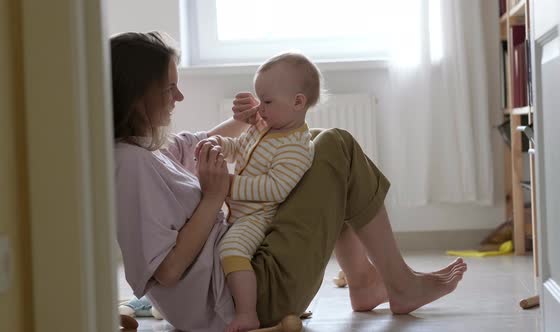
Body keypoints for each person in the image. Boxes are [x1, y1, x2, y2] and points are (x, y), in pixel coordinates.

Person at [112, 31, 467, 332]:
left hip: (243, 275)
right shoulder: (131, 165)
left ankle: (365, 281)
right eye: (169, 88)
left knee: (309, 145)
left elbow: (200, 145)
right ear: (137, 95)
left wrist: (246, 119)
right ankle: (395, 284)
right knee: (334, 145)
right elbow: (168, 271)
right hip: (242, 294)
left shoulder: (146, 150)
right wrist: (212, 199)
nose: (179, 97)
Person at [195, 52, 319, 331]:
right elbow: (240, 147)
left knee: (231, 249)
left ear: (298, 102)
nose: (259, 108)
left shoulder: (297, 147)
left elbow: (276, 188)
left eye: (267, 101)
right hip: (236, 211)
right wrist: (219, 144)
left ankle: (247, 312)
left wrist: (227, 184)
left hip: (258, 217)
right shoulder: (266, 125)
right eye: (259, 99)